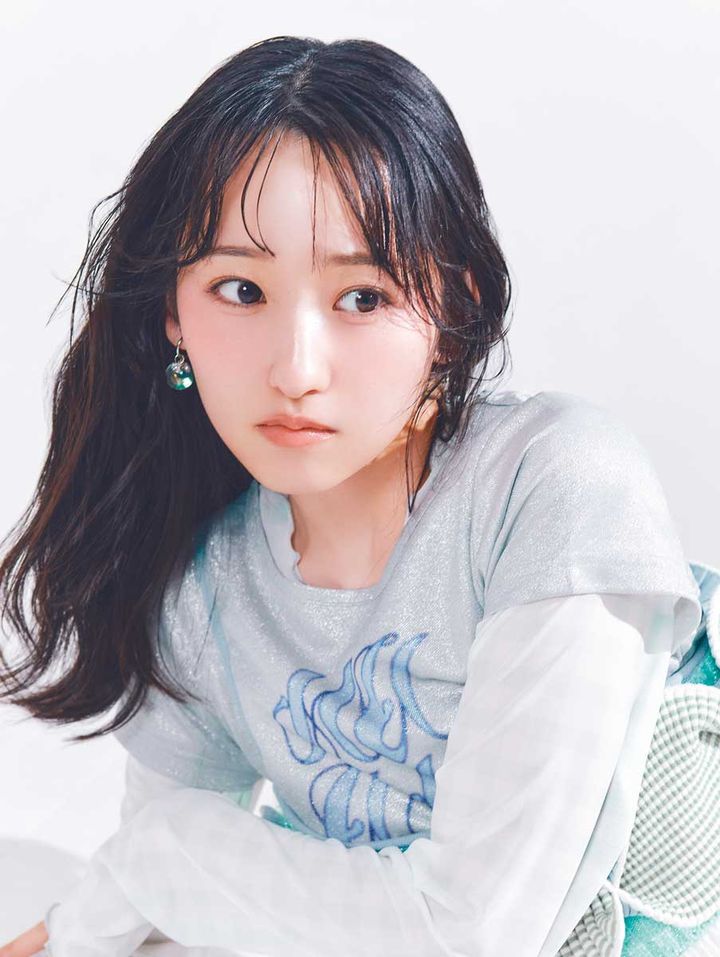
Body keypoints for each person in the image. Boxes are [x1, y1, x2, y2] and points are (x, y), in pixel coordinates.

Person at [0, 35, 715, 957]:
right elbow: (159, 911)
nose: (296, 370)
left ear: (453, 310)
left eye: (364, 298)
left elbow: (472, 935)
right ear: (172, 313)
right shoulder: (205, 590)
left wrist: (159, 860)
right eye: (240, 288)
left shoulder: (552, 482)